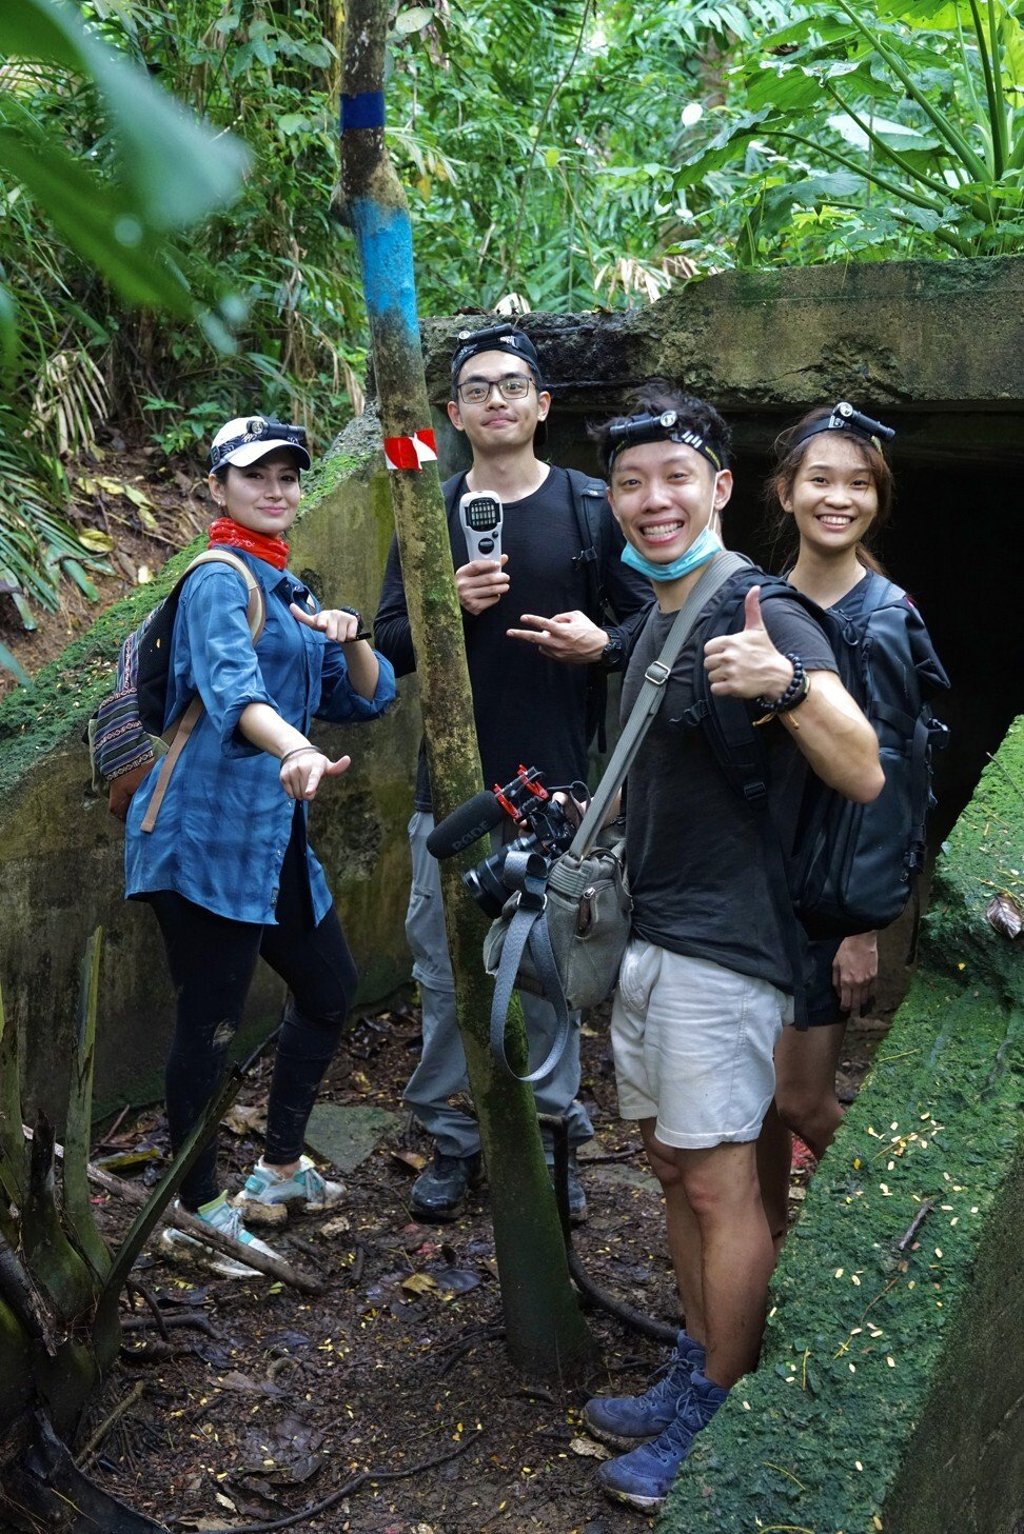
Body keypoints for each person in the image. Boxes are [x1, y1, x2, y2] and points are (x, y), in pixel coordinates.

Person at [580, 385, 883, 1510]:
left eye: (674, 478)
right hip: (656, 938)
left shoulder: (759, 606)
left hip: (729, 949)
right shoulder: (662, 606)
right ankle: (693, 1363)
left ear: (717, 488)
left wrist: (790, 682)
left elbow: (860, 766)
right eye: (630, 482)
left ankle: (717, 1407)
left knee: (720, 1188)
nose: (652, 500)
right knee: (671, 1165)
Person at [373, 323, 652, 1223]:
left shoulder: (587, 507)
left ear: (543, 405)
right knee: (447, 967)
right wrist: (441, 604)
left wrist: (601, 643)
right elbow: (389, 649)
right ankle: (455, 1138)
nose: (497, 400)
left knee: (550, 965)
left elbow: (655, 627)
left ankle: (551, 1135)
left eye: (514, 385)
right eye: (479, 389)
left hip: (557, 794)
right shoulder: (428, 512)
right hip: (450, 795)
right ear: (454, 413)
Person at [125, 415, 396, 1276]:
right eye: (255, 476)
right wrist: (297, 748)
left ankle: (278, 1169)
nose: (276, 490)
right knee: (209, 1019)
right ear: (219, 488)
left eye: (288, 476)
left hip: (273, 834)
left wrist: (350, 643)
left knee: (329, 988)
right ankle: (196, 1209)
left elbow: (367, 698)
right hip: (203, 834)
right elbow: (231, 690)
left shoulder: (290, 589)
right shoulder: (217, 579)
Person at [755, 404, 944, 1249]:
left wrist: (867, 926)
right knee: (746, 1106)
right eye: (821, 480)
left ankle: (907, 1225)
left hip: (831, 900)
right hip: (757, 887)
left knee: (799, 1098)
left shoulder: (886, 618)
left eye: (859, 483)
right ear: (786, 491)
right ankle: (760, 1251)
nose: (840, 498)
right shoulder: (761, 602)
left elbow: (896, 783)